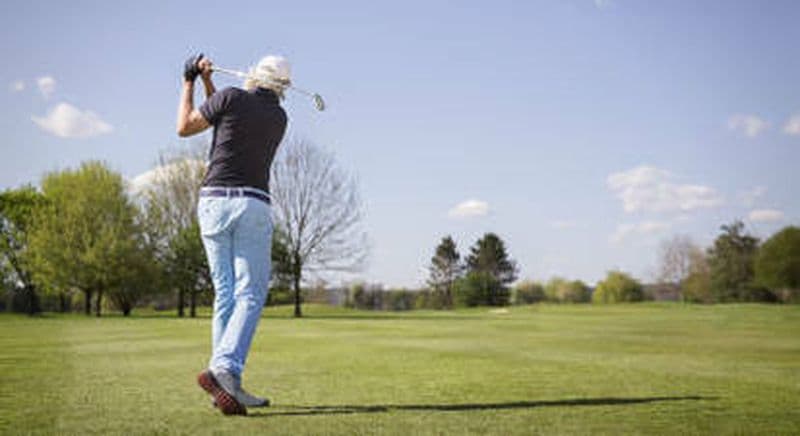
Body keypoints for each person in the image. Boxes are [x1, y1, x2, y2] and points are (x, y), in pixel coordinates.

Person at [176, 53, 289, 416]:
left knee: (226, 294)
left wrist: (190, 81)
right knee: (250, 293)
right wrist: (210, 85)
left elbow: (186, 126)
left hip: (212, 203)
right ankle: (224, 370)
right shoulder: (279, 117)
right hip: (250, 205)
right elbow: (227, 113)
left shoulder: (229, 97)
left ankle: (227, 386)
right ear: (282, 88)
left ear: (254, 77)